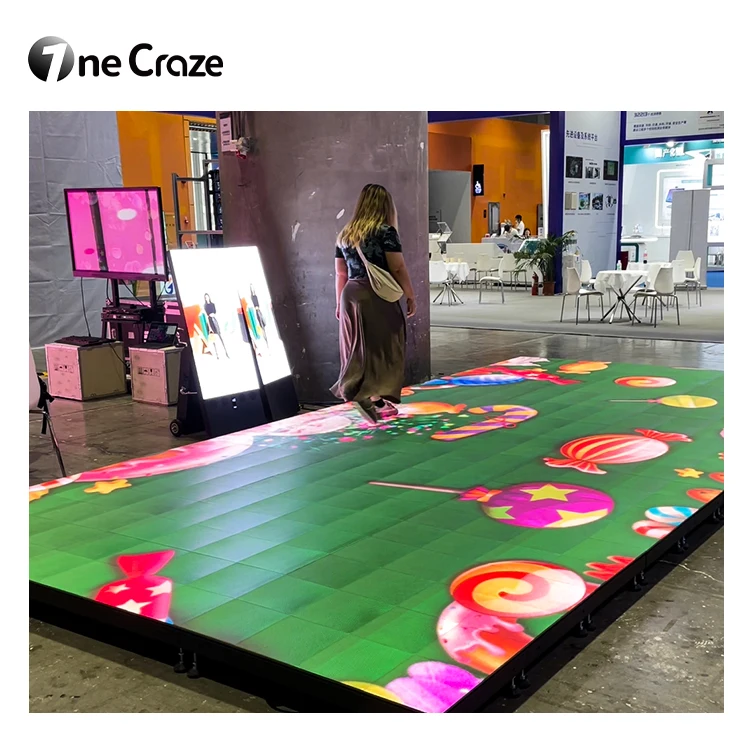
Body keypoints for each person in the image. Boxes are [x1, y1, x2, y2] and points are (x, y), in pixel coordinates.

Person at [331, 184, 416, 423]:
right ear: (385, 206)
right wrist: (410, 295)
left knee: (357, 348)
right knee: (385, 346)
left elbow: (341, 273)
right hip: (375, 295)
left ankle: (372, 399)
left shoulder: (345, 233)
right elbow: (397, 267)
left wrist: (338, 303)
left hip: (350, 294)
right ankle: (367, 394)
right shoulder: (385, 231)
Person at [203, 293, 229, 359]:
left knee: (220, 335)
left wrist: (213, 315)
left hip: (214, 319)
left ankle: (226, 352)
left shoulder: (213, 304)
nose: (207, 298)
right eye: (205, 297)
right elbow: (206, 315)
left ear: (209, 297)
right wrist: (209, 327)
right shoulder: (205, 306)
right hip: (210, 321)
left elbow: (215, 312)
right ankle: (217, 354)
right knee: (213, 338)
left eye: (207, 297)